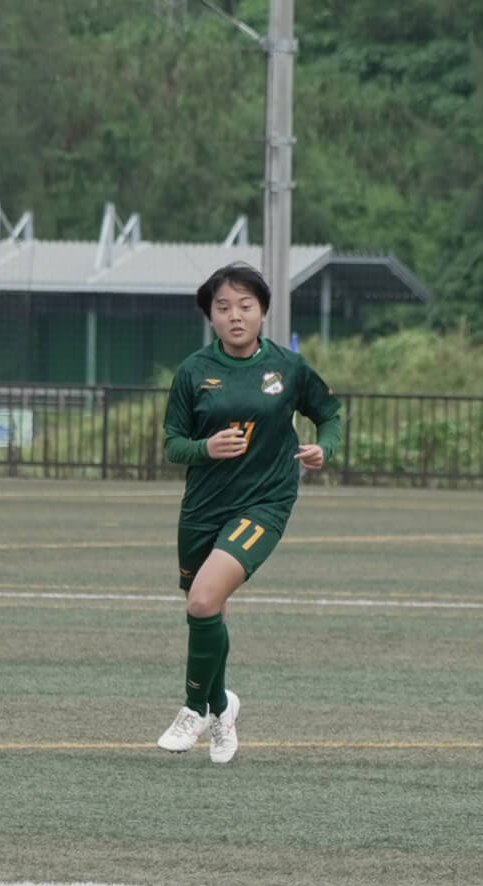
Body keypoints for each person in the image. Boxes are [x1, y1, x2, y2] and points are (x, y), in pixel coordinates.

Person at [157, 263, 342, 764]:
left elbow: (329, 413)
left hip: (265, 502)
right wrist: (206, 448)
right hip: (203, 507)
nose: (235, 315)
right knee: (209, 610)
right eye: (223, 307)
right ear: (210, 316)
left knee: (202, 602)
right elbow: (173, 443)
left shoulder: (288, 367)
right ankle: (224, 708)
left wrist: (324, 448)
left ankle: (194, 709)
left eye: (245, 305)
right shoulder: (193, 371)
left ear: (263, 311)